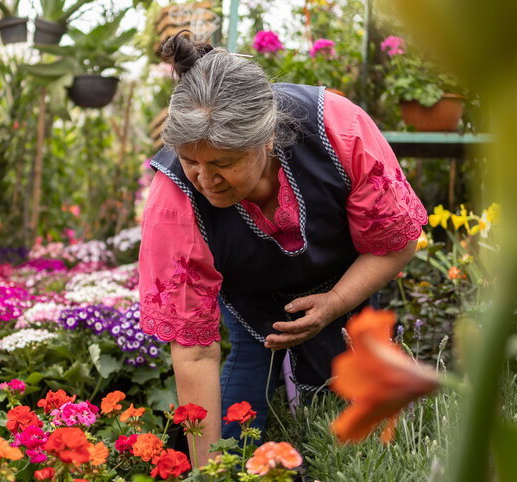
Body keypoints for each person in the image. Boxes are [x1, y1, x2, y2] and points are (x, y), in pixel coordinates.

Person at [137, 33, 427, 465]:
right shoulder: (174, 197)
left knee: (357, 431)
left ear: (267, 139)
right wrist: (210, 472)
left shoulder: (338, 128)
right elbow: (194, 350)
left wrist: (335, 303)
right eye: (190, 160)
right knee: (236, 432)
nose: (205, 178)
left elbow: (397, 243)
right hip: (256, 307)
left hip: (349, 281)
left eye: (223, 164)